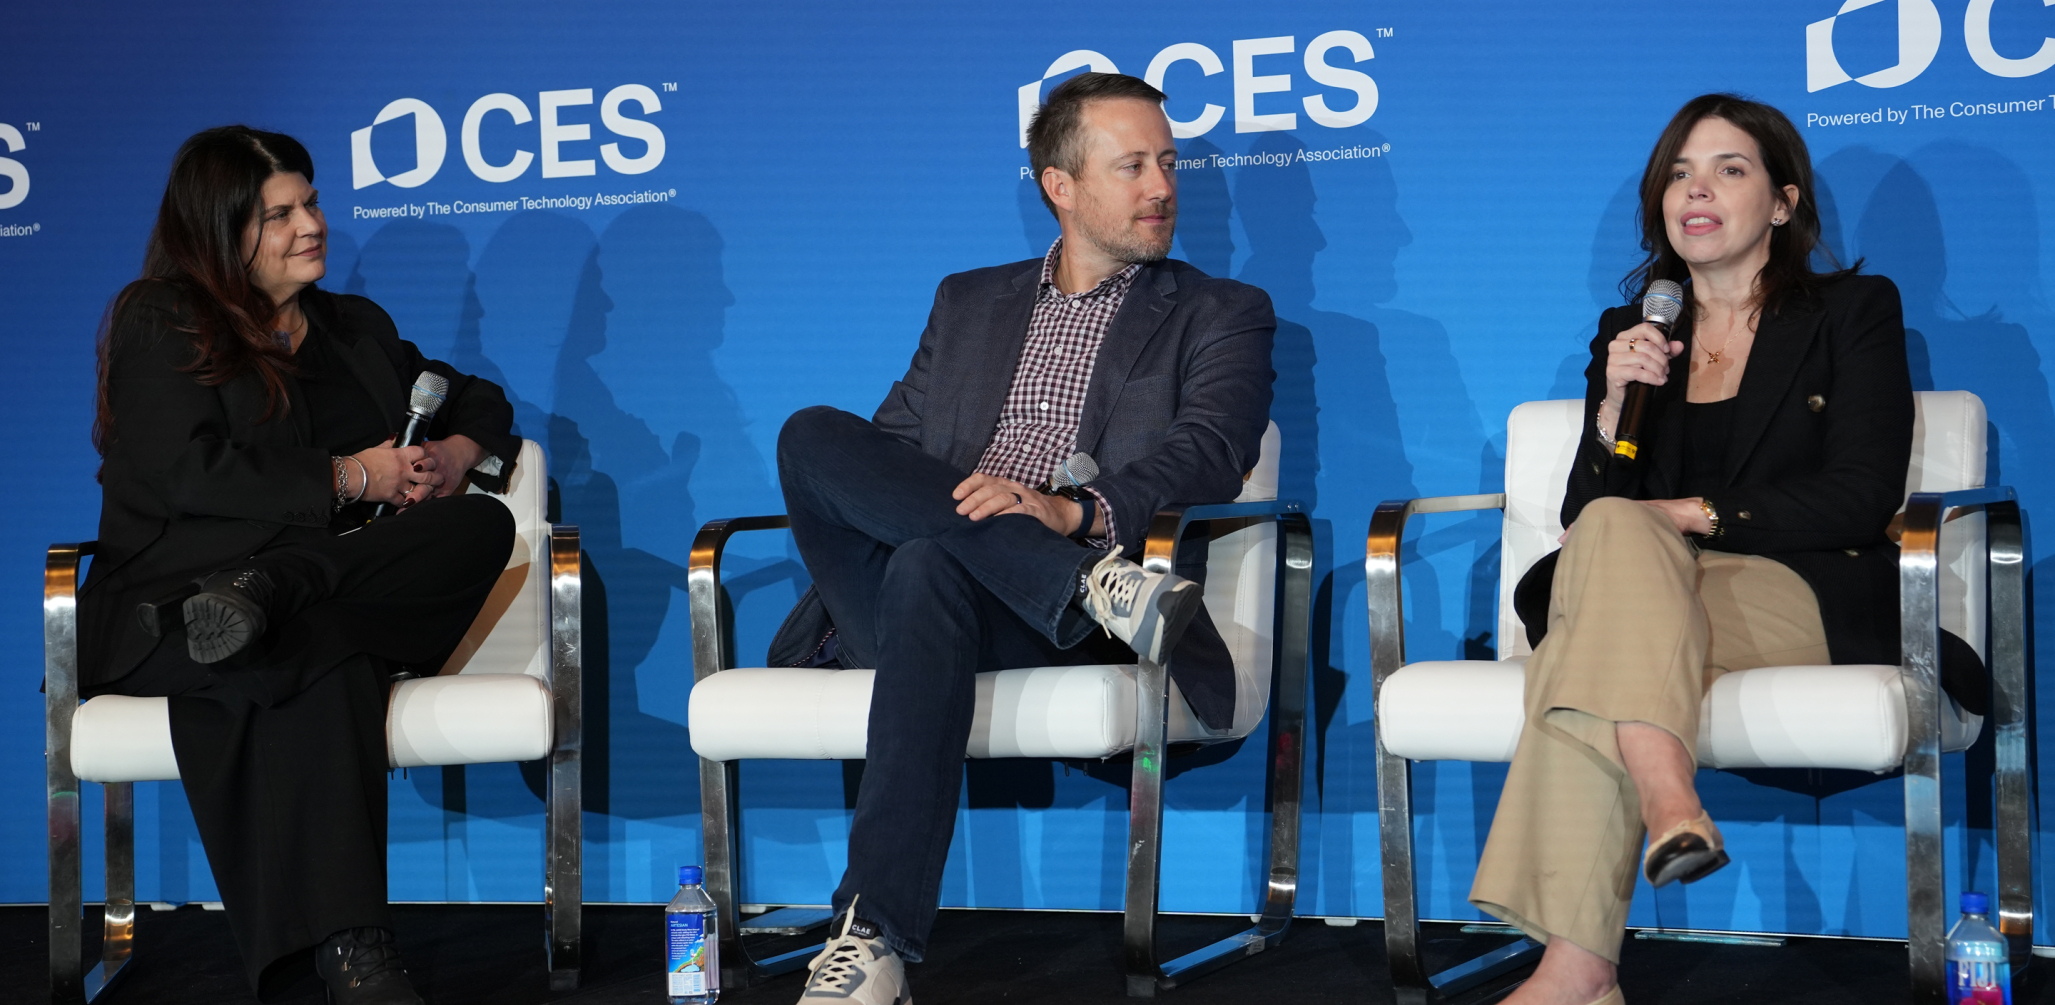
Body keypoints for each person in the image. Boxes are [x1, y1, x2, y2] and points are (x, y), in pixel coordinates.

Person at [768, 72, 1275, 1004]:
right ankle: (1081, 580)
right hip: (983, 594)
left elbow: (1211, 450)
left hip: (1027, 613)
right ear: (1060, 185)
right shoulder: (967, 301)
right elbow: (887, 455)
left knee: (929, 563)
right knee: (811, 436)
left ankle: (871, 937)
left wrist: (1068, 513)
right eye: (1132, 166)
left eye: (1167, 163)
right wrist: (1038, 544)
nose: (1161, 187)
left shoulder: (1221, 311)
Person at [1473, 93, 1986, 1005]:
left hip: (1801, 588)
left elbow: (1861, 495)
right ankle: (1659, 822)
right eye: (1678, 173)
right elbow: (1587, 517)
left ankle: (1580, 963)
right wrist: (1611, 409)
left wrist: (1693, 512)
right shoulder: (1631, 333)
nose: (1695, 190)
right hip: (1646, 594)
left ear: (1783, 203)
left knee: (1584, 650)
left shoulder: (1851, 311)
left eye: (1728, 169)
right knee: (1612, 542)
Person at [80, 126, 522, 1005]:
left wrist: (453, 453)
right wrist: (351, 476)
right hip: (178, 609)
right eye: (278, 214)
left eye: (310, 202)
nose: (311, 224)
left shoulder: (353, 329)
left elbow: (478, 399)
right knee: (326, 653)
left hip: (308, 586)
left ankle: (281, 585)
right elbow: (186, 472)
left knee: (477, 525)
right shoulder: (161, 318)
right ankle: (359, 956)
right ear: (220, 230)